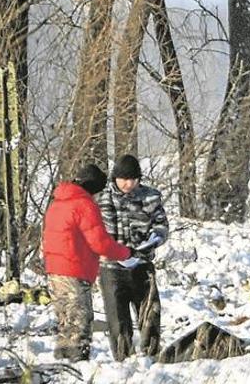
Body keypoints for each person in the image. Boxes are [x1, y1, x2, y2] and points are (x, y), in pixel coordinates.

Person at [42, 164, 133, 362]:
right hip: (74, 271)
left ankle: (63, 368)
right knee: (79, 326)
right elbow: (100, 243)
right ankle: (77, 369)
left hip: (54, 272)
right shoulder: (83, 204)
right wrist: (126, 253)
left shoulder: (57, 202)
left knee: (66, 325)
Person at [98, 154, 169, 361]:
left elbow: (161, 225)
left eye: (133, 179)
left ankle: (152, 355)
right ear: (115, 178)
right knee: (118, 318)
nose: (128, 184)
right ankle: (123, 359)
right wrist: (115, 252)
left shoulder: (150, 197)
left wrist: (155, 238)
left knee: (150, 313)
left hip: (142, 264)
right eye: (124, 179)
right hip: (111, 267)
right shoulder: (103, 199)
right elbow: (99, 233)